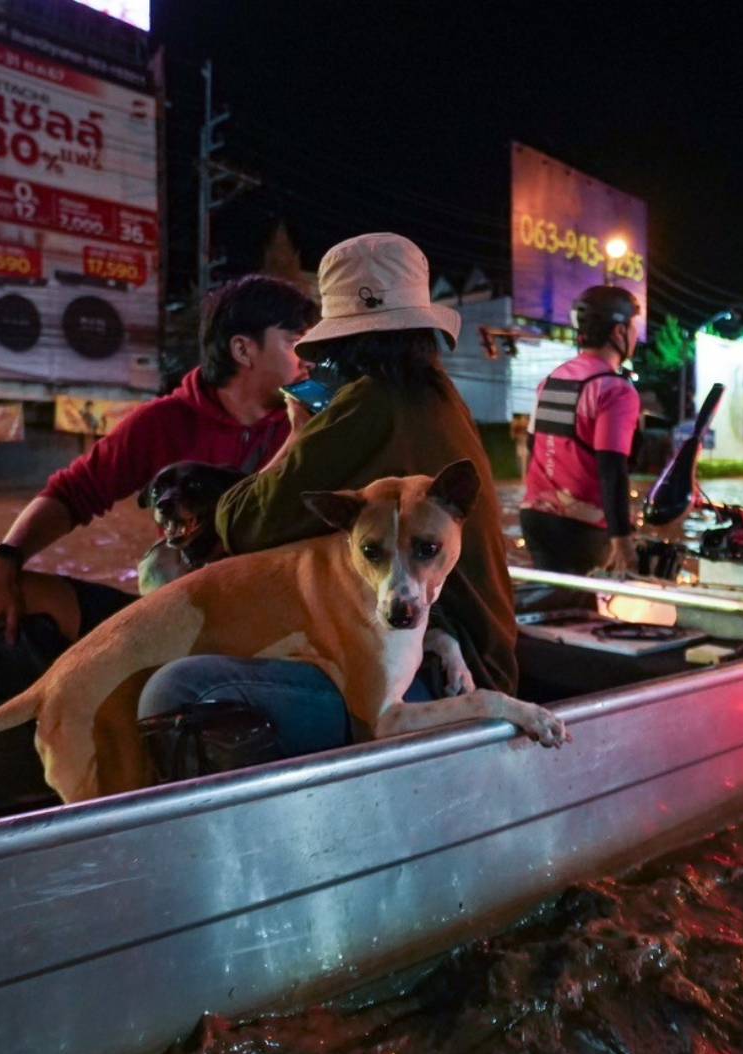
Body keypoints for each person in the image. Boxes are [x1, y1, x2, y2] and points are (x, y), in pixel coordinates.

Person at [135, 233, 519, 755]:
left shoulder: (370, 402)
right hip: (471, 654)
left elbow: (240, 522)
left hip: (442, 672)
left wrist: (300, 433)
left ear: (342, 343)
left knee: (181, 688)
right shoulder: (440, 397)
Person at [0, 275, 318, 679]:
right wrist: (1, 561)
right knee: (2, 604)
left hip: (269, 621)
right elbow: (73, 492)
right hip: (176, 614)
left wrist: (302, 436)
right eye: (293, 342)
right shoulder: (163, 422)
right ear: (242, 349)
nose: (309, 358)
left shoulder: (315, 425)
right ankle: (92, 726)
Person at [518, 284, 644, 575]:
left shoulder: (550, 380)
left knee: (555, 609)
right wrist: (622, 539)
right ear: (618, 332)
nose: (636, 335)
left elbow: (532, 445)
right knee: (589, 615)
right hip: (582, 529)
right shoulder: (615, 390)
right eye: (633, 327)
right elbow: (612, 467)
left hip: (535, 519)